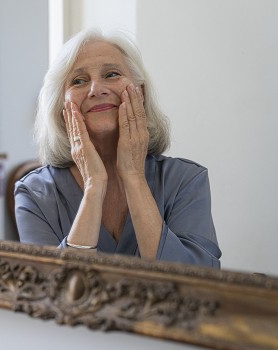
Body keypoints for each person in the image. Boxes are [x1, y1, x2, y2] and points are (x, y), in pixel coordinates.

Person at [14, 28, 221, 268]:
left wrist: (133, 177)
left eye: (111, 74)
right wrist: (94, 186)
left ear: (140, 94)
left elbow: (196, 288)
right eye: (79, 81)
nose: (96, 89)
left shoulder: (186, 181)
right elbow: (49, 293)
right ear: (61, 107)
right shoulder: (35, 193)